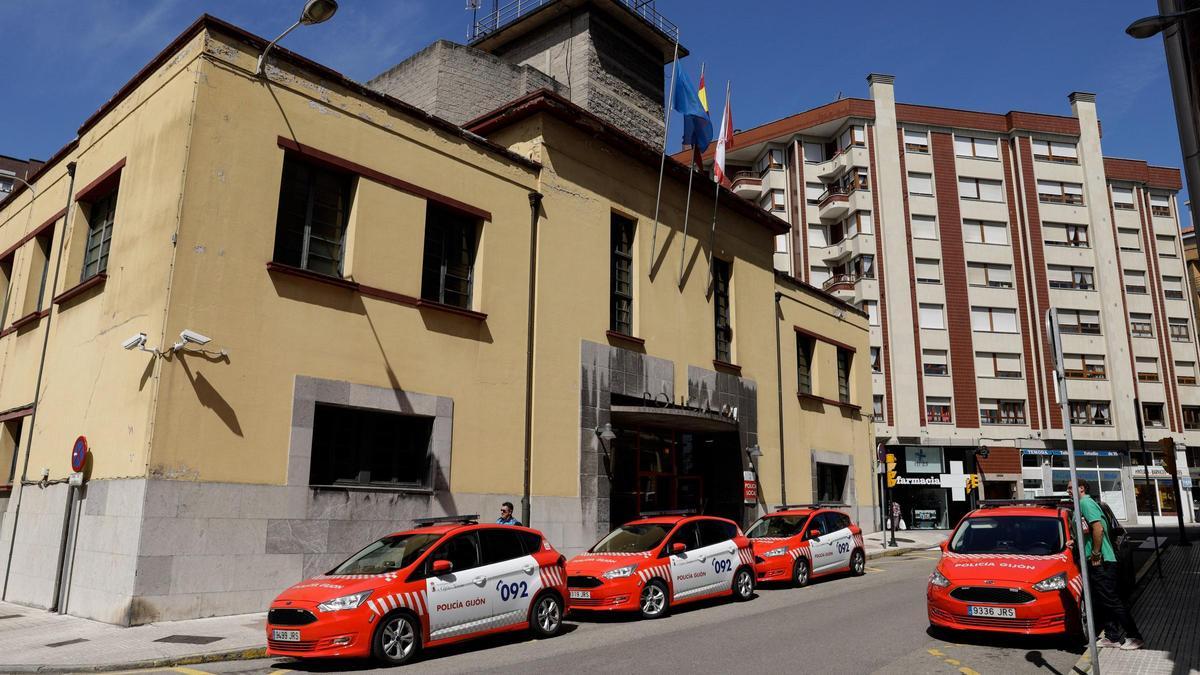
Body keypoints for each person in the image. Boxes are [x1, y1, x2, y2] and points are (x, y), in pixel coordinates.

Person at [1077, 479, 1142, 650]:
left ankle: (1134, 636)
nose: (1067, 490)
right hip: (1102, 561)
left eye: (1070, 487)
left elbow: (1098, 529)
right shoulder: (1088, 503)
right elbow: (1089, 532)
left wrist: (1096, 553)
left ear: (1082, 488)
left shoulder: (1084, 503)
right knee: (1104, 600)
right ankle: (1112, 636)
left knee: (1111, 600)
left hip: (1102, 561)